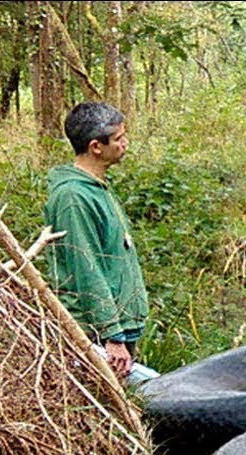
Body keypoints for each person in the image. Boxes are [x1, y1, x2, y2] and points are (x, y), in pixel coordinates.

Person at [44, 101, 148, 380]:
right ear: (95, 147)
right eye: (118, 138)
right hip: (95, 334)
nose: (125, 143)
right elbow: (85, 269)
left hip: (116, 328)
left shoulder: (97, 188)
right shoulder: (73, 198)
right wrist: (111, 336)